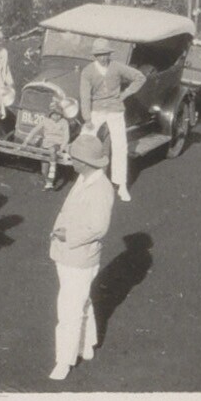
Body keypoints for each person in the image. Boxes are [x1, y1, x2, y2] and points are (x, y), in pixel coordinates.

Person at [47, 133, 115, 381]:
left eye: (74, 157)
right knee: (81, 300)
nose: (70, 160)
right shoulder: (85, 178)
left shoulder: (101, 189)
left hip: (79, 256)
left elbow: (98, 227)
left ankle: (64, 361)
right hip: (70, 254)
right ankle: (87, 344)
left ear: (86, 162)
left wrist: (68, 235)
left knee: (69, 309)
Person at [79, 37, 146, 202]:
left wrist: (125, 94)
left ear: (110, 54)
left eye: (105, 54)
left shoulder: (116, 67)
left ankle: (121, 184)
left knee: (120, 145)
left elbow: (140, 77)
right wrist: (87, 118)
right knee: (84, 142)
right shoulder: (87, 72)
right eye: (99, 54)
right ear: (94, 55)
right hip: (96, 111)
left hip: (115, 110)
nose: (103, 57)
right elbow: (84, 96)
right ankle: (83, 179)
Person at [22, 98, 74, 191]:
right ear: (50, 114)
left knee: (53, 150)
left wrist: (61, 148)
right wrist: (26, 141)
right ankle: (48, 182)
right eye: (54, 115)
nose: (56, 117)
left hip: (57, 144)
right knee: (44, 170)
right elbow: (34, 130)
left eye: (58, 115)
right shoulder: (45, 121)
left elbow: (66, 137)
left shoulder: (64, 122)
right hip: (46, 145)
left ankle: (53, 168)